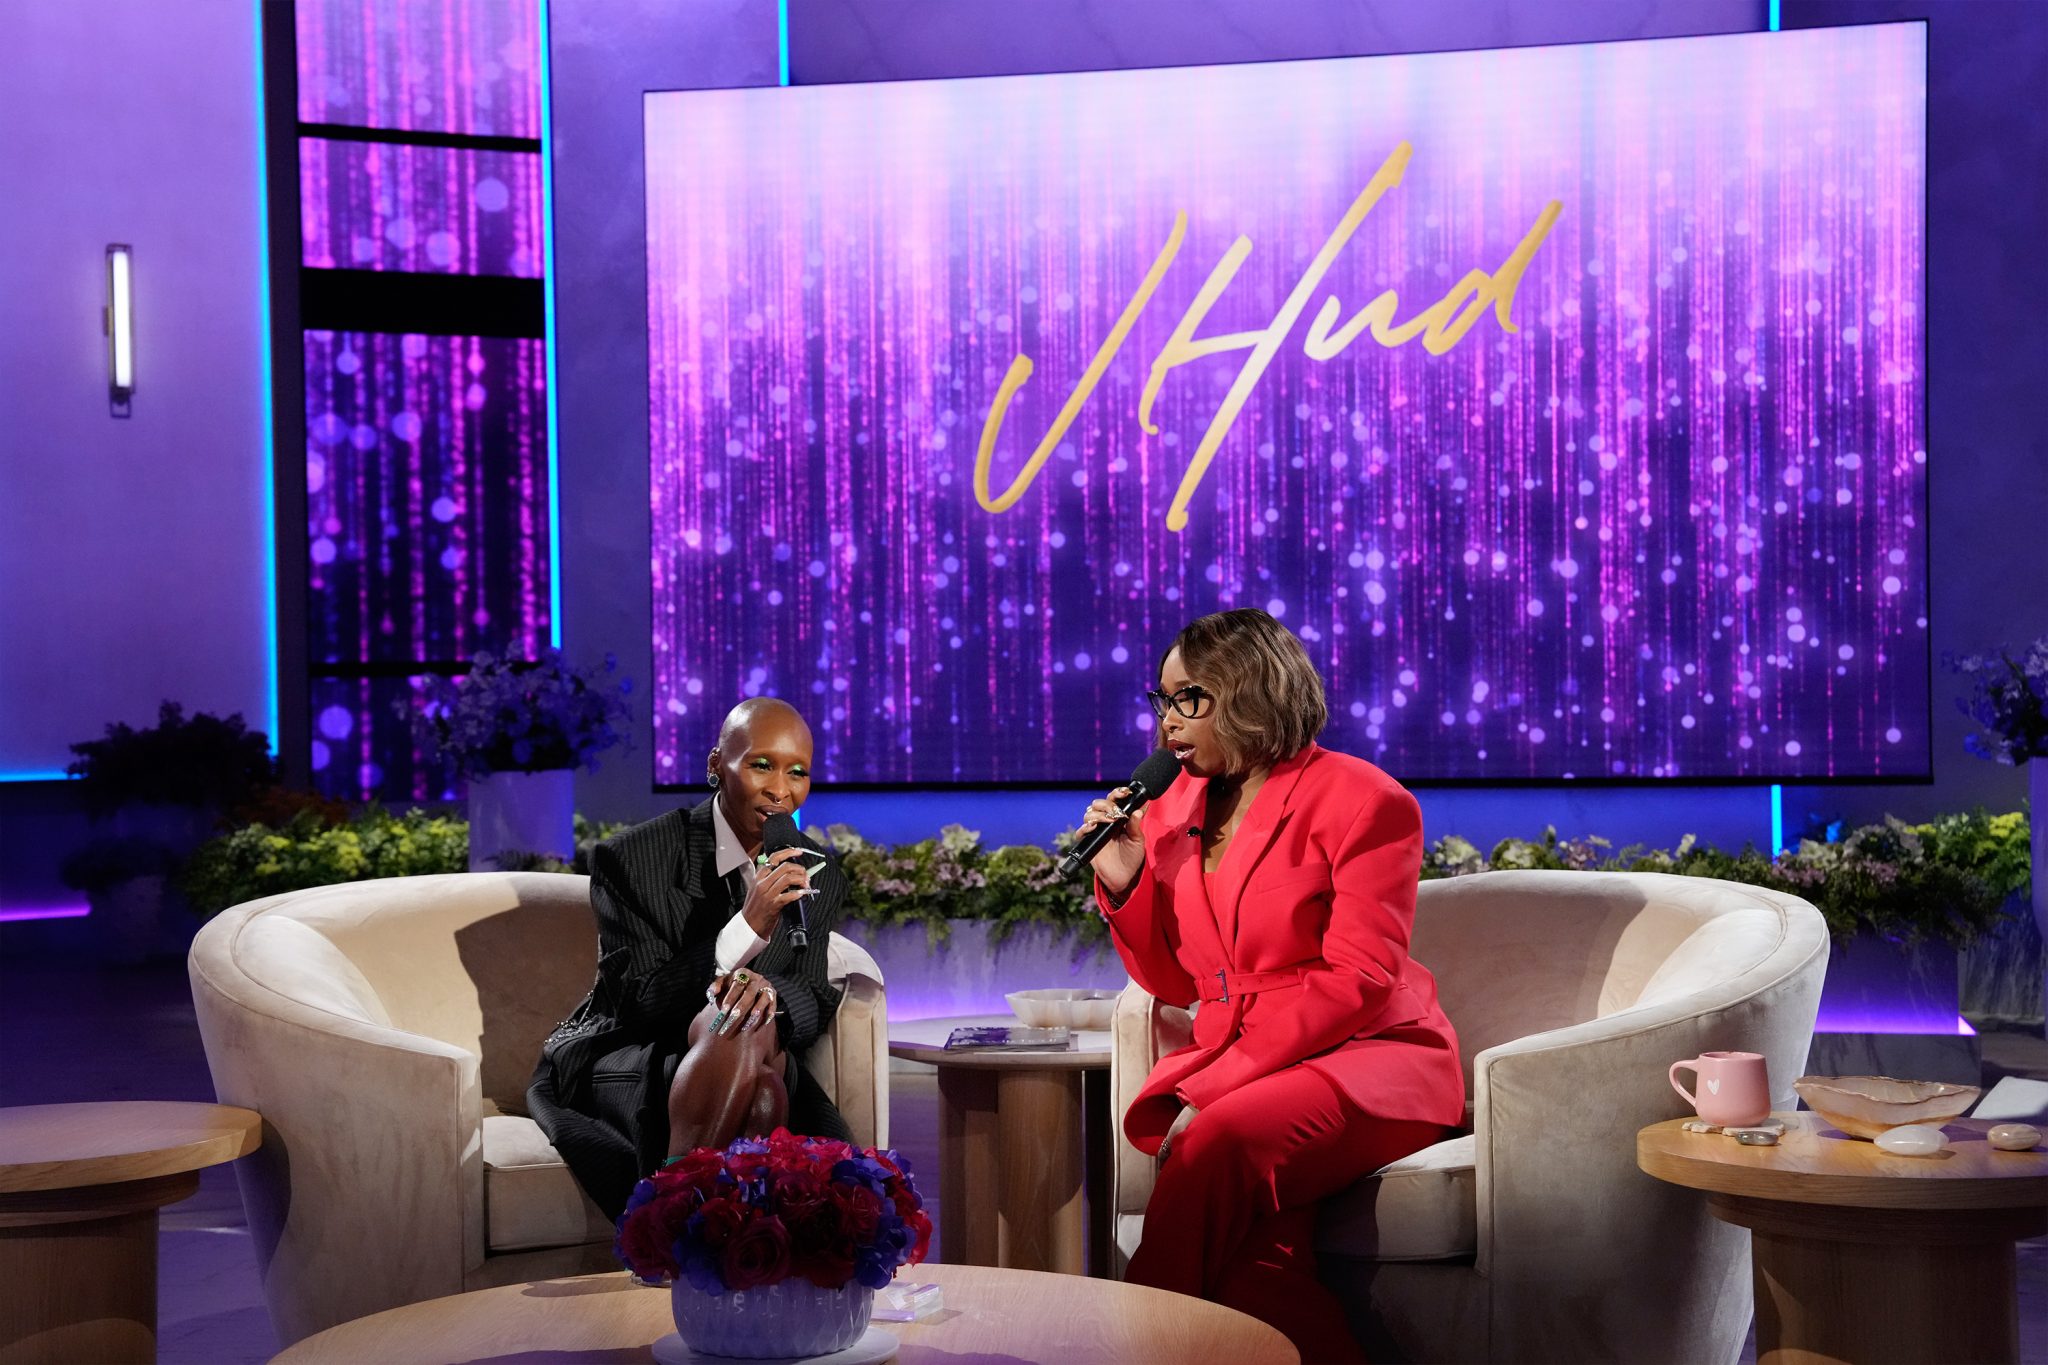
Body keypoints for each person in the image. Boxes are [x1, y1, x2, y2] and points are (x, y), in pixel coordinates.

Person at [1081, 609, 1463, 1363]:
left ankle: (1131, 1347)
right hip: (1249, 1058)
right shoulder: (1171, 807)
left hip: (1370, 1058)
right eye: (1162, 698)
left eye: (1189, 698)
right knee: (1257, 1264)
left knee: (1215, 1143)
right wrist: (1125, 883)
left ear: (1248, 692)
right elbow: (1176, 980)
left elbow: (1360, 976)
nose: (1167, 720)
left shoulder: (1364, 798)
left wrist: (1224, 1082)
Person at [527, 697, 852, 1220]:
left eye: (798, 772)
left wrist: (768, 993)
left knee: (746, 1027)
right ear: (716, 765)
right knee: (762, 1090)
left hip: (752, 1047)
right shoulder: (633, 857)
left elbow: (812, 992)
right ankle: (700, 1228)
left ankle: (675, 1217)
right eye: (761, 765)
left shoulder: (816, 871)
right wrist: (747, 927)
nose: (780, 789)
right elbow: (637, 1003)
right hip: (637, 1049)